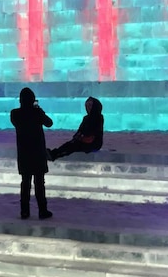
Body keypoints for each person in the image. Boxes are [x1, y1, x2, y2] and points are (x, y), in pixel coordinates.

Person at [10, 87, 54, 220]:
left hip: (24, 152)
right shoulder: (37, 113)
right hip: (37, 152)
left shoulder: (15, 113)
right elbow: (49, 123)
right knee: (39, 183)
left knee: (25, 183)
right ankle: (42, 210)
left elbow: (16, 123)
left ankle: (24, 211)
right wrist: (39, 110)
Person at [48, 97, 104, 161]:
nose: (88, 107)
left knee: (72, 146)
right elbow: (80, 129)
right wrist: (77, 137)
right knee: (69, 144)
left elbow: (93, 131)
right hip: (84, 140)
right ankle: (54, 154)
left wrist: (82, 137)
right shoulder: (86, 118)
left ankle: (54, 155)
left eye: (90, 105)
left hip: (93, 143)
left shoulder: (98, 117)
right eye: (87, 105)